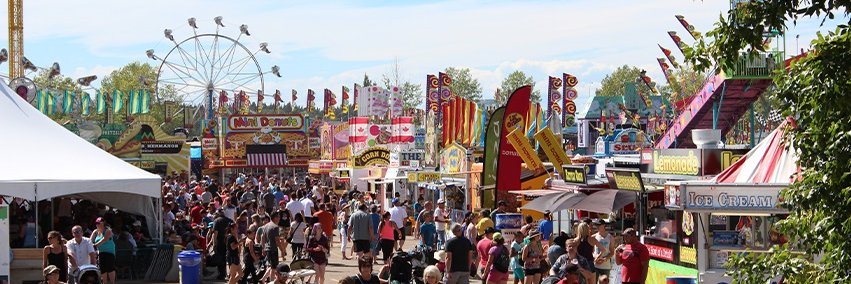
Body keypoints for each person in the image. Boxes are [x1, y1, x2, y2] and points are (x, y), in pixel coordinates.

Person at [91, 218, 116, 284]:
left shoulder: (108, 230)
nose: (98, 224)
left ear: (103, 223)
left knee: (110, 268)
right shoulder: (95, 232)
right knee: (102, 269)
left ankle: (112, 283)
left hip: (109, 252)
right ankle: (104, 283)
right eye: (97, 223)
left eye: (99, 223)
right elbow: (90, 241)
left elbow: (104, 240)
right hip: (101, 252)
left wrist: (95, 245)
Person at [212, 210, 234, 280]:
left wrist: (214, 244)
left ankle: (222, 274)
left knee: (221, 258)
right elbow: (234, 231)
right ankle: (231, 274)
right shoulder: (229, 220)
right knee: (230, 258)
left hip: (220, 242)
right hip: (229, 241)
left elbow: (215, 233)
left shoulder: (216, 221)